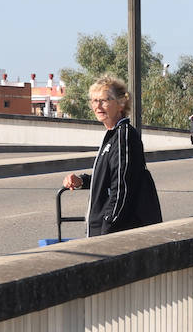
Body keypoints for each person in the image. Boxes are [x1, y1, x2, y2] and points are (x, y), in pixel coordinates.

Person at [62, 75, 163, 236]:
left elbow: (122, 188)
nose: (98, 106)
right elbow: (110, 179)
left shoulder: (124, 136)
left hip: (115, 233)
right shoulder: (113, 135)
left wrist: (108, 228)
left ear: (121, 103)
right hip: (102, 231)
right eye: (94, 101)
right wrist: (82, 181)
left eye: (104, 100)